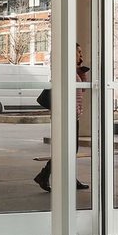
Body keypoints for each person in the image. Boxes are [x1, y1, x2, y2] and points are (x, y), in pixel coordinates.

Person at [34, 54, 90, 192]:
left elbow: (81, 90)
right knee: (66, 150)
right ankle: (44, 175)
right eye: (78, 52)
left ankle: (58, 177)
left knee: (70, 150)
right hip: (65, 116)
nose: (81, 55)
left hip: (73, 116)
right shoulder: (64, 71)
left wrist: (82, 74)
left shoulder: (74, 71)